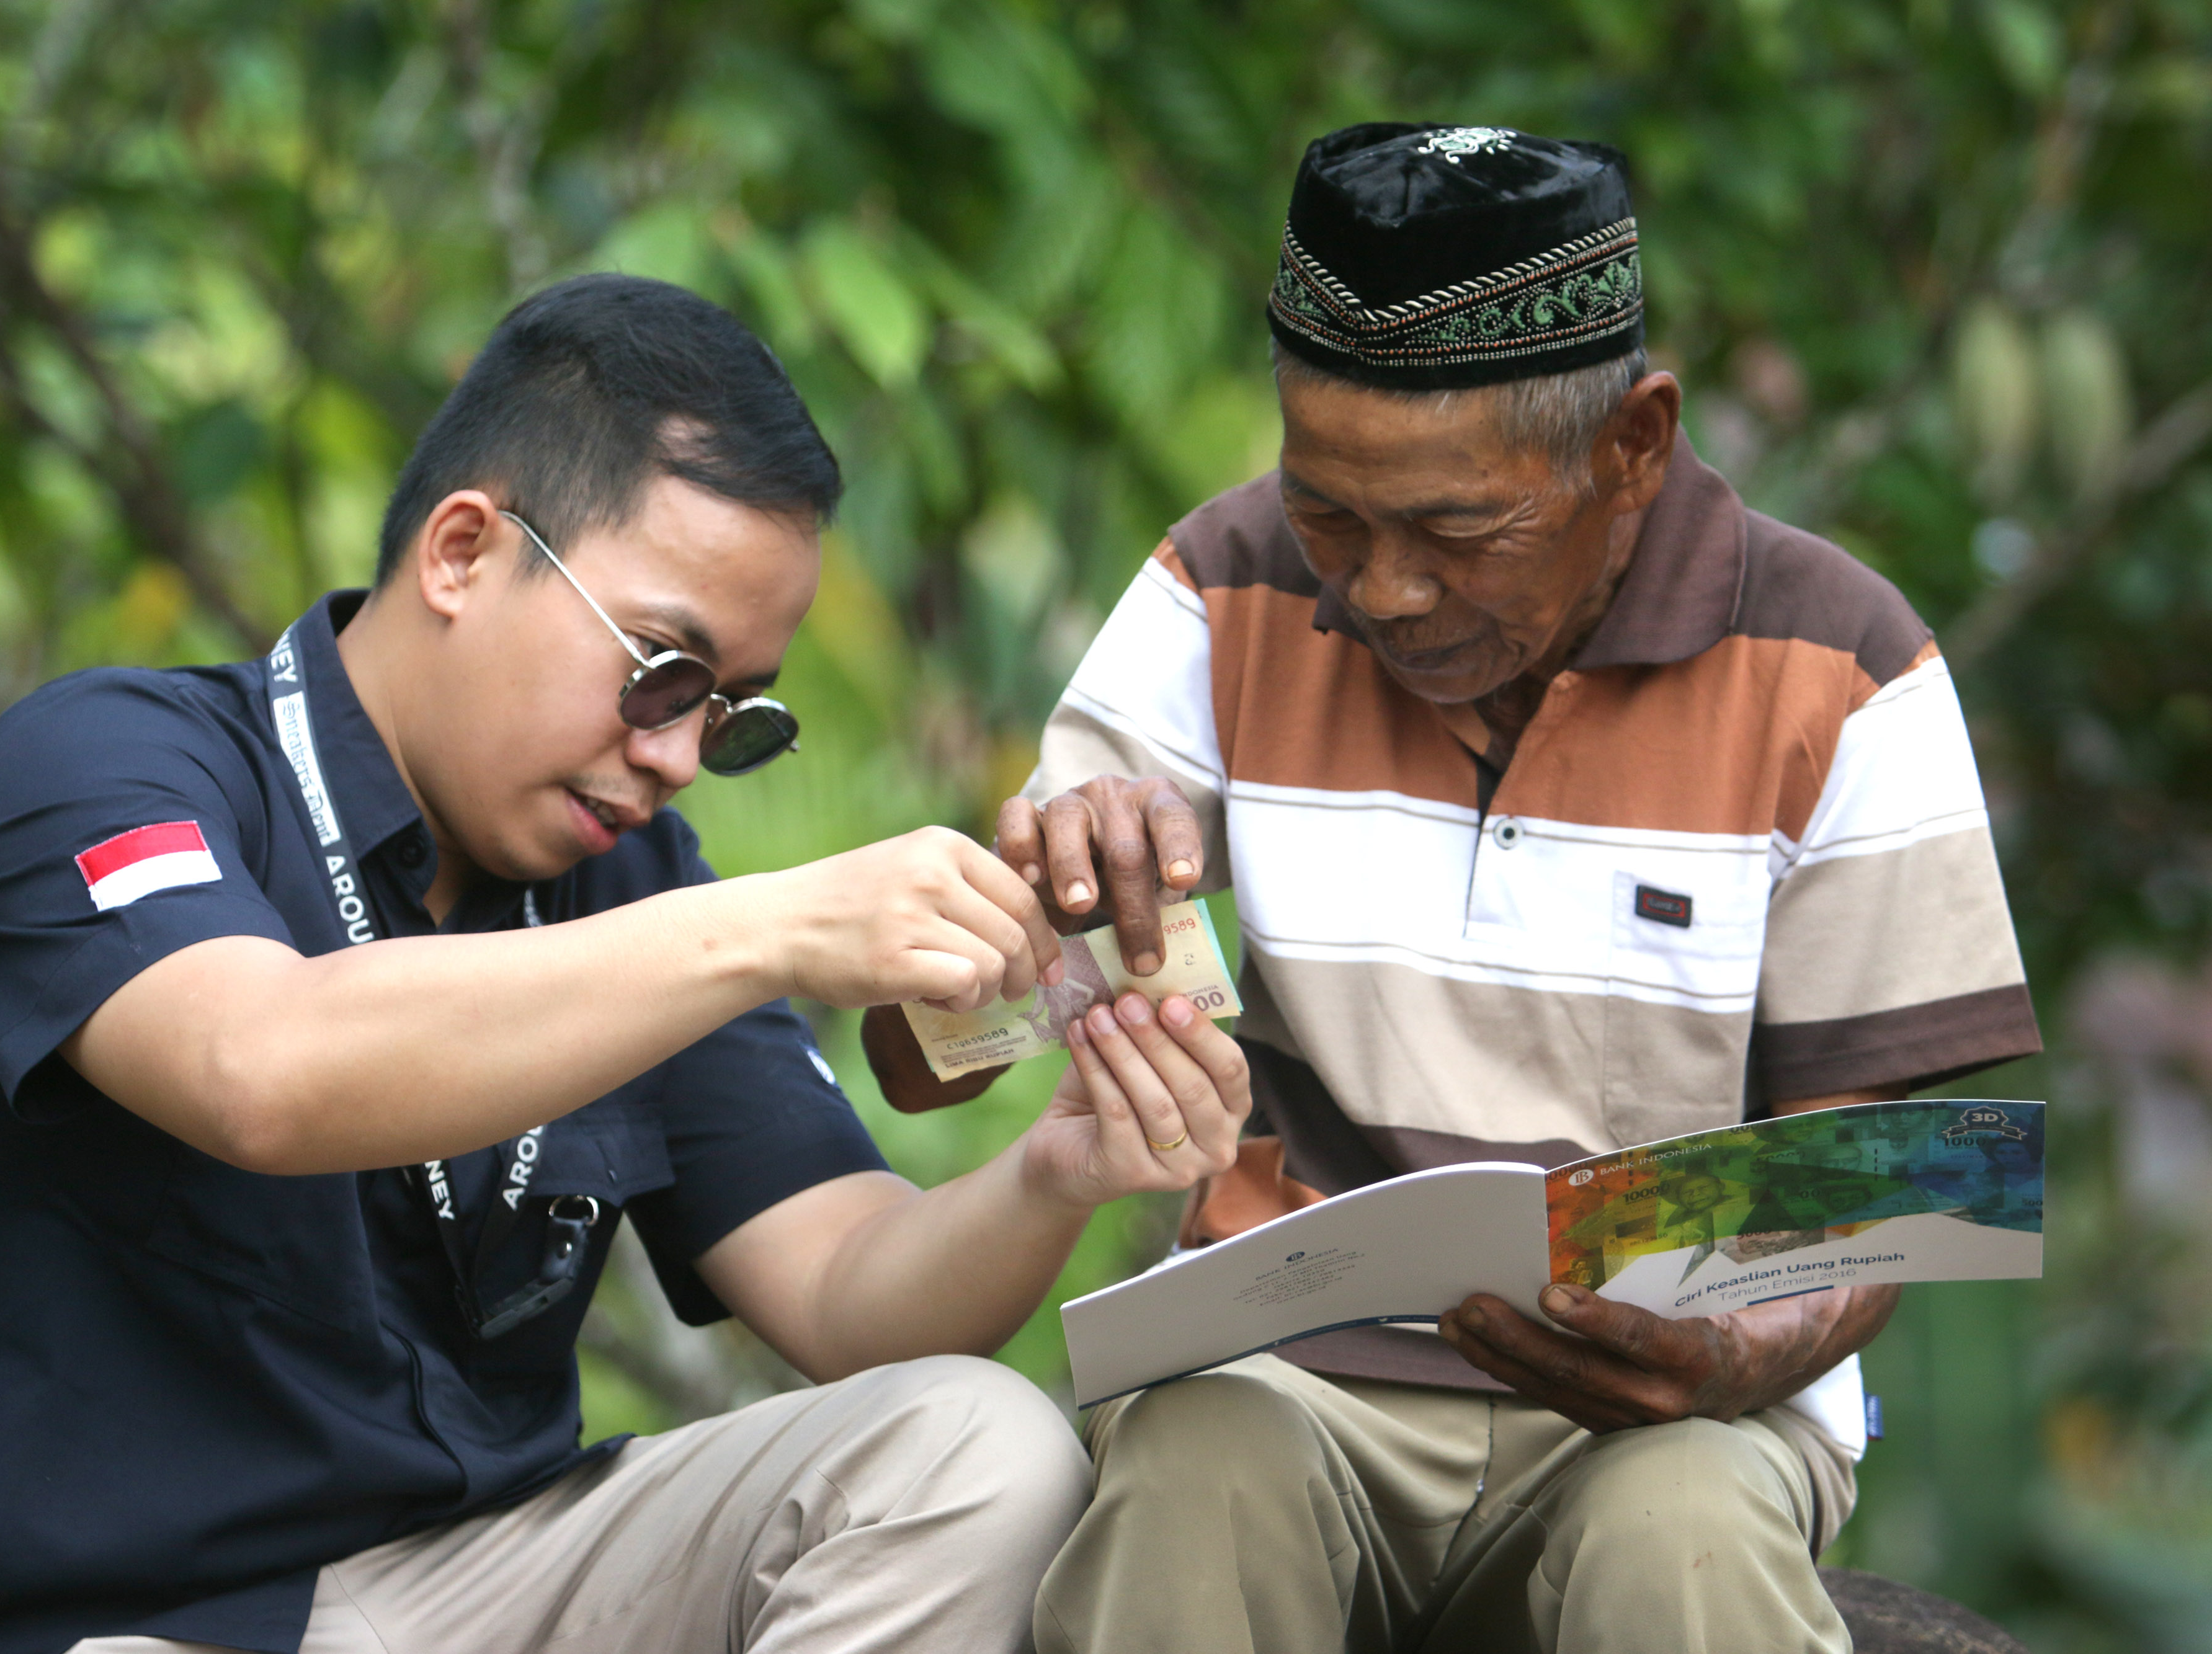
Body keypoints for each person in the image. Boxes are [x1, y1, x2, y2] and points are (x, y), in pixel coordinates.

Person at [0, 273, 1252, 1654]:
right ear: (462, 553)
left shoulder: (628, 888)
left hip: (499, 1585)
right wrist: (769, 926)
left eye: (732, 717)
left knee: (975, 1448)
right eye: (663, 670)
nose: (677, 755)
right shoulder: (103, 763)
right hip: (138, 1624)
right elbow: (257, 1066)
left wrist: (1055, 1171)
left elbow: (849, 1296)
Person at [867, 124, 2043, 1653]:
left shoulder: (1841, 662)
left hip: (1665, 1404)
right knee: (1194, 1467)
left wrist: (1736, 1353)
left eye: (1455, 528)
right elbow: (922, 1062)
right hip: (1289, 1370)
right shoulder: (1224, 585)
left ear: (1630, 446)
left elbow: (1878, 1180)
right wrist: (1044, 910)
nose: (1379, 590)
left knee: (1677, 1535)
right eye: (1329, 513)